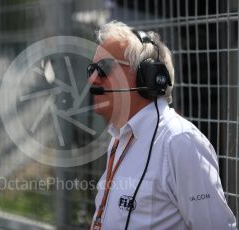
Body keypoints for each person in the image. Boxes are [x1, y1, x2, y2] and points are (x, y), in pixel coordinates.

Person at [87, 20, 236, 229]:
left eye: (103, 68)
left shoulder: (180, 142)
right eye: (91, 69)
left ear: (146, 76)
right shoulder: (119, 138)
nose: (92, 79)